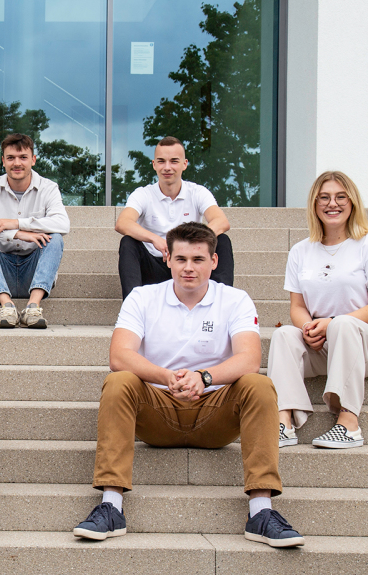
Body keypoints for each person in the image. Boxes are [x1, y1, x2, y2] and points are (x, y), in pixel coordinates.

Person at [72, 221, 305, 548]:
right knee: (119, 381)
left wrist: (204, 377)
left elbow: (249, 358)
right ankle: (111, 505)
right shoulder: (143, 298)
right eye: (181, 259)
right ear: (167, 259)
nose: (189, 268)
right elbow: (120, 355)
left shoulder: (235, 300)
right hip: (159, 410)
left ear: (214, 261)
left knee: (258, 385)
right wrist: (166, 377)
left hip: (215, 414)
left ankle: (261, 512)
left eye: (198, 259)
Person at [268, 172, 368, 449]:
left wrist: (332, 323)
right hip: (324, 345)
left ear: (352, 202)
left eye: (341, 197)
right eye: (324, 197)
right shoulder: (301, 251)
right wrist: (308, 328)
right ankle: (283, 422)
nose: (332, 204)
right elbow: (298, 307)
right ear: (314, 204)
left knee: (343, 325)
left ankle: (349, 424)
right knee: (283, 336)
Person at [0, 133, 69, 329]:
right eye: (11, 157)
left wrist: (16, 223)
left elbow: (63, 223)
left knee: (55, 238)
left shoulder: (48, 188)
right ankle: (7, 307)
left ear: (33, 160)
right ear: (3, 161)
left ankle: (33, 307)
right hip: (0, 269)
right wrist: (16, 234)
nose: (17, 163)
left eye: (23, 157)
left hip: (33, 269)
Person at [115, 136, 233, 298]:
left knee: (222, 240)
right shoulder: (143, 194)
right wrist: (155, 239)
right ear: (154, 164)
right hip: (155, 265)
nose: (167, 167)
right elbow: (122, 223)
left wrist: (188, 243)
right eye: (161, 161)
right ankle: (132, 308)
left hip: (188, 265)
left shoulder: (197, 192)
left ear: (184, 164)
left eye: (174, 161)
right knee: (128, 242)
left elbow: (221, 222)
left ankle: (222, 304)